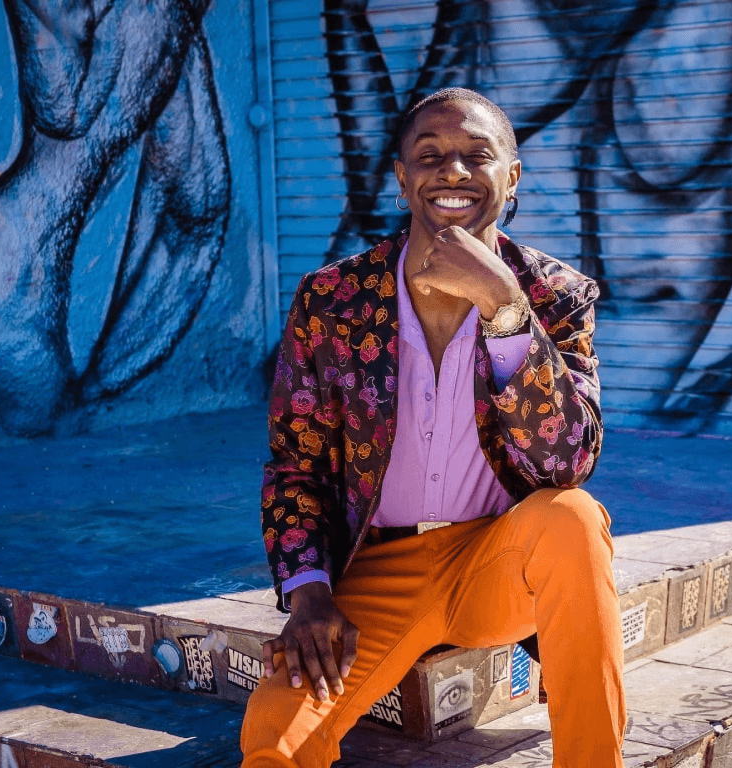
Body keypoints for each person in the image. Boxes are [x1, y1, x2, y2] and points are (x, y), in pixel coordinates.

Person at [242, 87, 625, 768]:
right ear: (401, 176)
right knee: (276, 744)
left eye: (477, 156)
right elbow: (294, 464)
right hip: (375, 572)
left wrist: (505, 311)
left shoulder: (554, 295)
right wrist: (308, 594)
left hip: (495, 562)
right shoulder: (333, 300)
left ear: (511, 177)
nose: (452, 172)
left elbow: (567, 461)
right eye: (431, 156)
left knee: (572, 517)